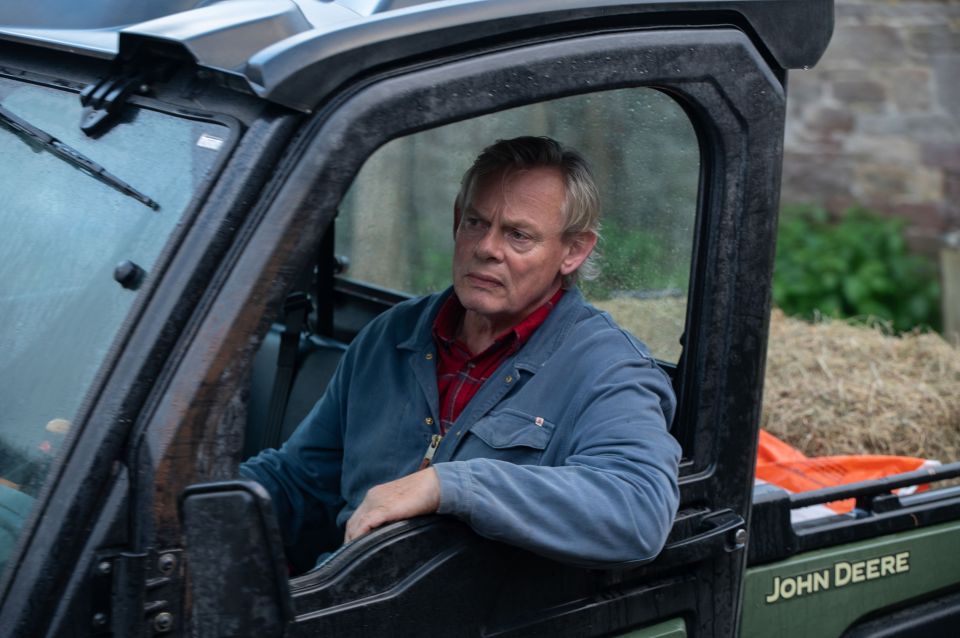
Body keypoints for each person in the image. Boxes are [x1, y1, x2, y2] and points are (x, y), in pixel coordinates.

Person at [240, 136, 681, 567]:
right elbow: (299, 483)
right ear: (456, 220)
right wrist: (193, 503)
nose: (487, 248)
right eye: (476, 222)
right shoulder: (392, 335)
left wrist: (450, 486)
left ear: (574, 251)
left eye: (518, 235)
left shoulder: (607, 369)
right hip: (348, 597)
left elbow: (638, 510)